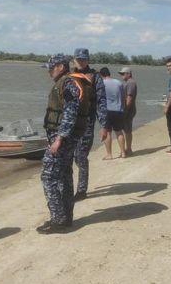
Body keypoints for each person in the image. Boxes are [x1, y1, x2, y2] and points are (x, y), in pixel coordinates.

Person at [39, 54, 85, 234]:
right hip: (66, 139)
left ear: (60, 66)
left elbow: (70, 113)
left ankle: (58, 220)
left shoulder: (67, 84)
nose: (49, 71)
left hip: (62, 139)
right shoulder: (67, 83)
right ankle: (65, 218)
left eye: (51, 68)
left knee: (49, 177)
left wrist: (59, 139)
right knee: (64, 176)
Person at [71, 48, 108, 202]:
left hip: (87, 122)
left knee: (81, 156)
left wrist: (104, 125)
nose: (81, 62)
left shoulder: (95, 77)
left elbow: (101, 101)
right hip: (70, 122)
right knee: (73, 157)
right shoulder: (69, 76)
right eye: (78, 59)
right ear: (74, 60)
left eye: (84, 59)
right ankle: (72, 187)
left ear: (88, 60)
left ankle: (81, 190)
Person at [98, 67, 126, 159]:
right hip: (118, 110)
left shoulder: (101, 83)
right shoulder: (119, 83)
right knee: (119, 132)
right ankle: (123, 152)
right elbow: (123, 97)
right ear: (109, 73)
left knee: (108, 133)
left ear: (101, 75)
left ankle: (109, 154)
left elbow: (98, 98)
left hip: (107, 111)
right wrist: (122, 108)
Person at [119, 66, 137, 156]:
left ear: (129, 74)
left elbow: (129, 97)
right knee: (126, 129)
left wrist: (124, 110)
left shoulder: (131, 83)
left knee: (127, 129)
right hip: (128, 109)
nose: (121, 75)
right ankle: (127, 149)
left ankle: (129, 149)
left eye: (123, 73)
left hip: (128, 110)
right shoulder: (128, 82)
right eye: (121, 74)